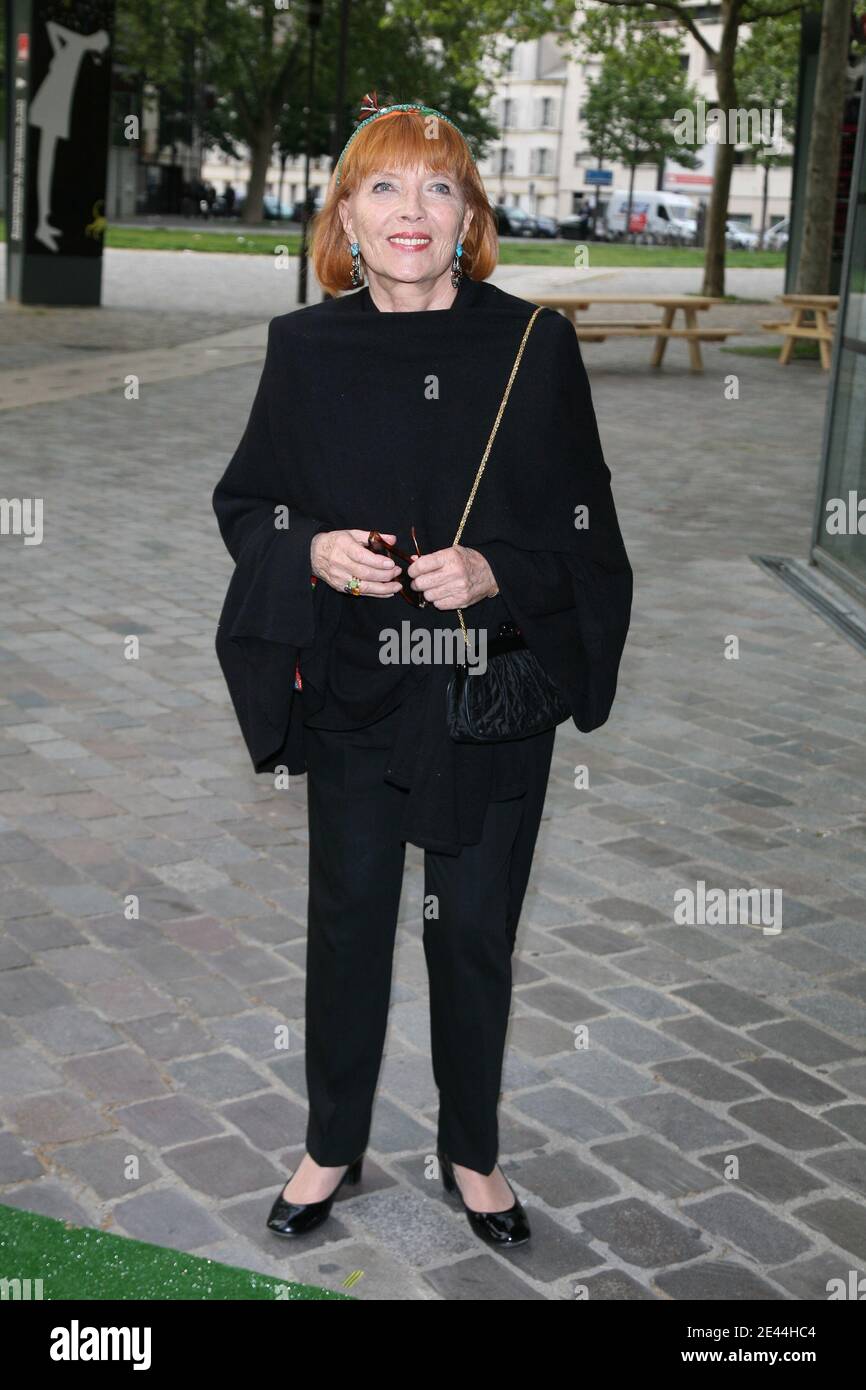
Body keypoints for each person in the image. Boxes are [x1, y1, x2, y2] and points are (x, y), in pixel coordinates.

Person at [211, 92, 632, 1249]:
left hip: (485, 689)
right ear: (345, 214)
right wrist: (307, 550)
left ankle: (471, 1152)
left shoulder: (532, 348)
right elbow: (249, 503)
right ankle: (332, 1144)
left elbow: (587, 532)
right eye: (385, 187)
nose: (411, 210)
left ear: (469, 218)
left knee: (474, 926)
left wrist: (496, 570)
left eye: (437, 188)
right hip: (354, 683)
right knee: (346, 920)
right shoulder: (302, 347)